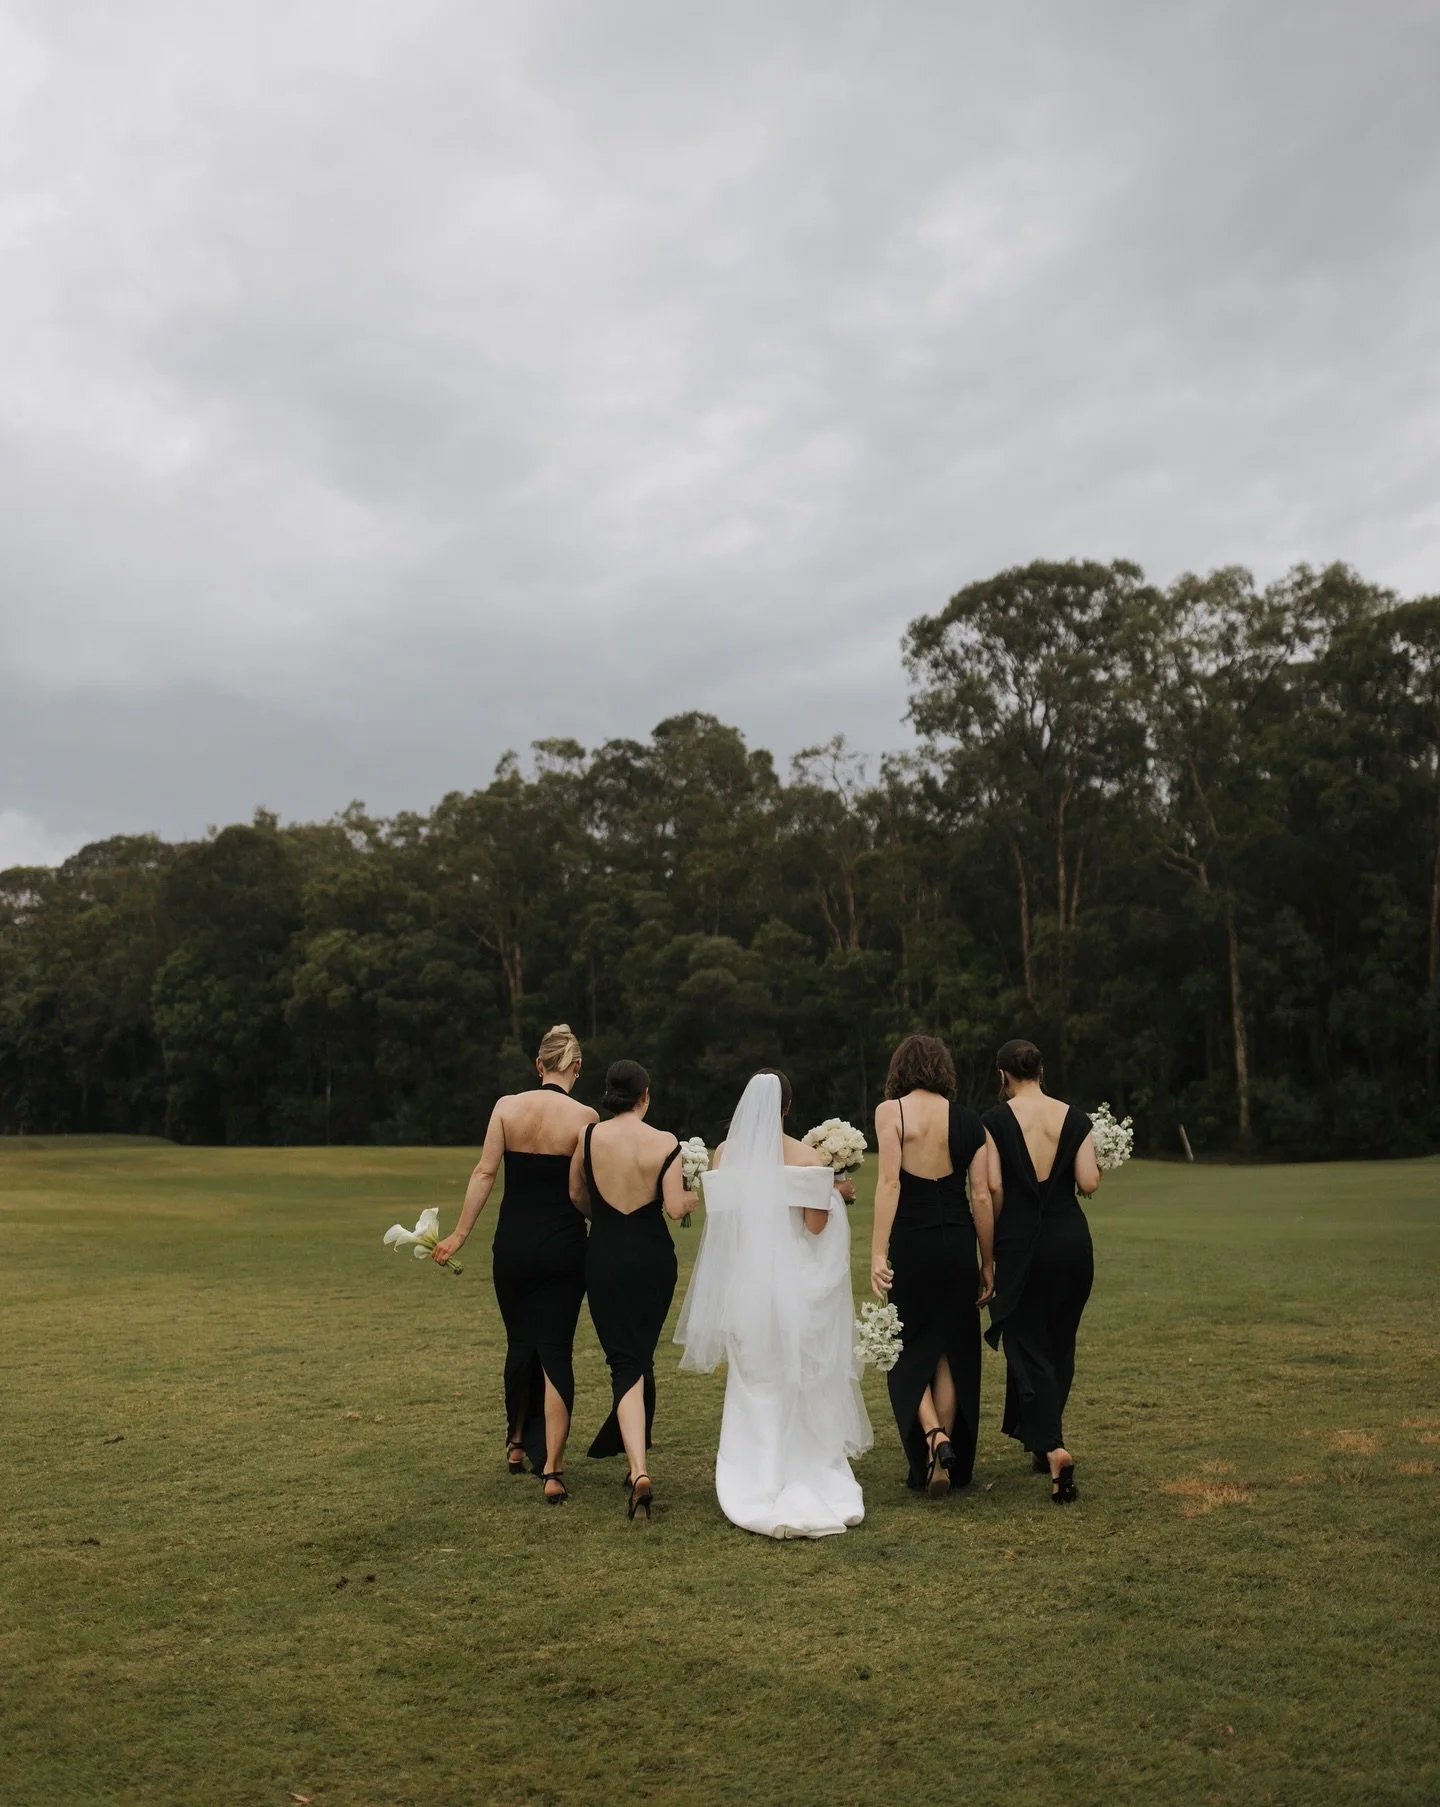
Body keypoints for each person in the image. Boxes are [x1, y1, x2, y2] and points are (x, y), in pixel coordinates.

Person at [675, 1069, 871, 1540]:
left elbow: (725, 1223)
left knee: (753, 1382)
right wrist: (835, 1194)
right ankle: (800, 1470)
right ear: (786, 1107)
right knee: (793, 1382)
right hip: (794, 1289)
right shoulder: (806, 1156)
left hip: (745, 1287)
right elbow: (817, 1226)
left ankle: (753, 1478)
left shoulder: (725, 1155)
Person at [433, 1026, 596, 1504]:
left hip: (512, 1247)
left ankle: (517, 1443)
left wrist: (460, 1233)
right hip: (564, 1247)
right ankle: (552, 1469)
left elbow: (485, 1172)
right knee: (556, 1350)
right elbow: (579, 1191)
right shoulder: (584, 1116)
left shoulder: (506, 1107)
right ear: (577, 1067)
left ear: (538, 1064)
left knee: (521, 1342)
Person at [870, 1034, 995, 1497]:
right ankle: (940, 1453)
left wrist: (877, 1253)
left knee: (903, 1347)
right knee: (949, 1352)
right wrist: (987, 1261)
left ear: (900, 1070)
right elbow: (981, 1195)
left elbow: (888, 1183)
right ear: (943, 1070)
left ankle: (933, 1439)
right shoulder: (969, 1121)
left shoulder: (892, 1113)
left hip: (913, 1244)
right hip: (959, 1244)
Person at [981, 1039, 1101, 1504]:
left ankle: (1052, 1448)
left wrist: (988, 1258)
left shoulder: (994, 1121)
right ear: (1041, 1070)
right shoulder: (1075, 1117)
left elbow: (993, 1187)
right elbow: (1088, 1182)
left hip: (1021, 1242)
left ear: (1002, 1074)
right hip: (1071, 1241)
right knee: (1059, 1341)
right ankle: (1044, 1439)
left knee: (1026, 1345)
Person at [569, 1059, 689, 1522]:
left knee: (625, 1361)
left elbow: (576, 1193)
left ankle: (637, 1469)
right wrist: (695, 1194)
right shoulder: (665, 1142)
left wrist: (603, 1220)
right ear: (645, 1095)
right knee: (637, 1357)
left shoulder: (589, 1137)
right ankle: (638, 1462)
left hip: (603, 1254)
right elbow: (676, 1209)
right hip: (653, 1259)